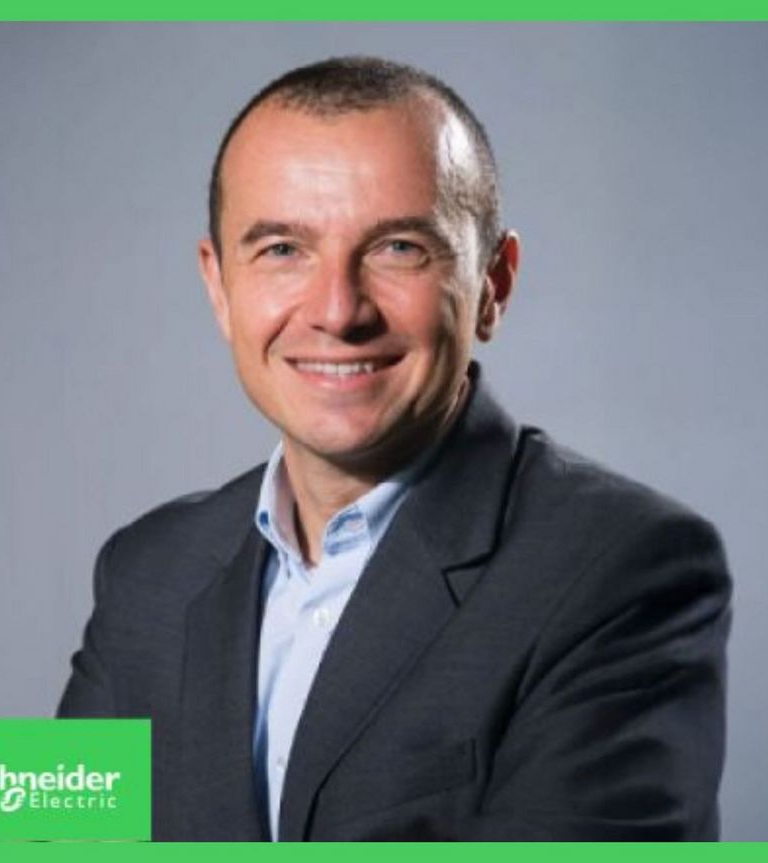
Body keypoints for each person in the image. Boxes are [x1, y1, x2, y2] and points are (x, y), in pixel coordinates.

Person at [57, 55, 732, 842]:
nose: (338, 310)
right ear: (219, 287)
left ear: (493, 284)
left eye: (399, 248)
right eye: (282, 249)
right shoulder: (149, 570)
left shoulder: (621, 568)